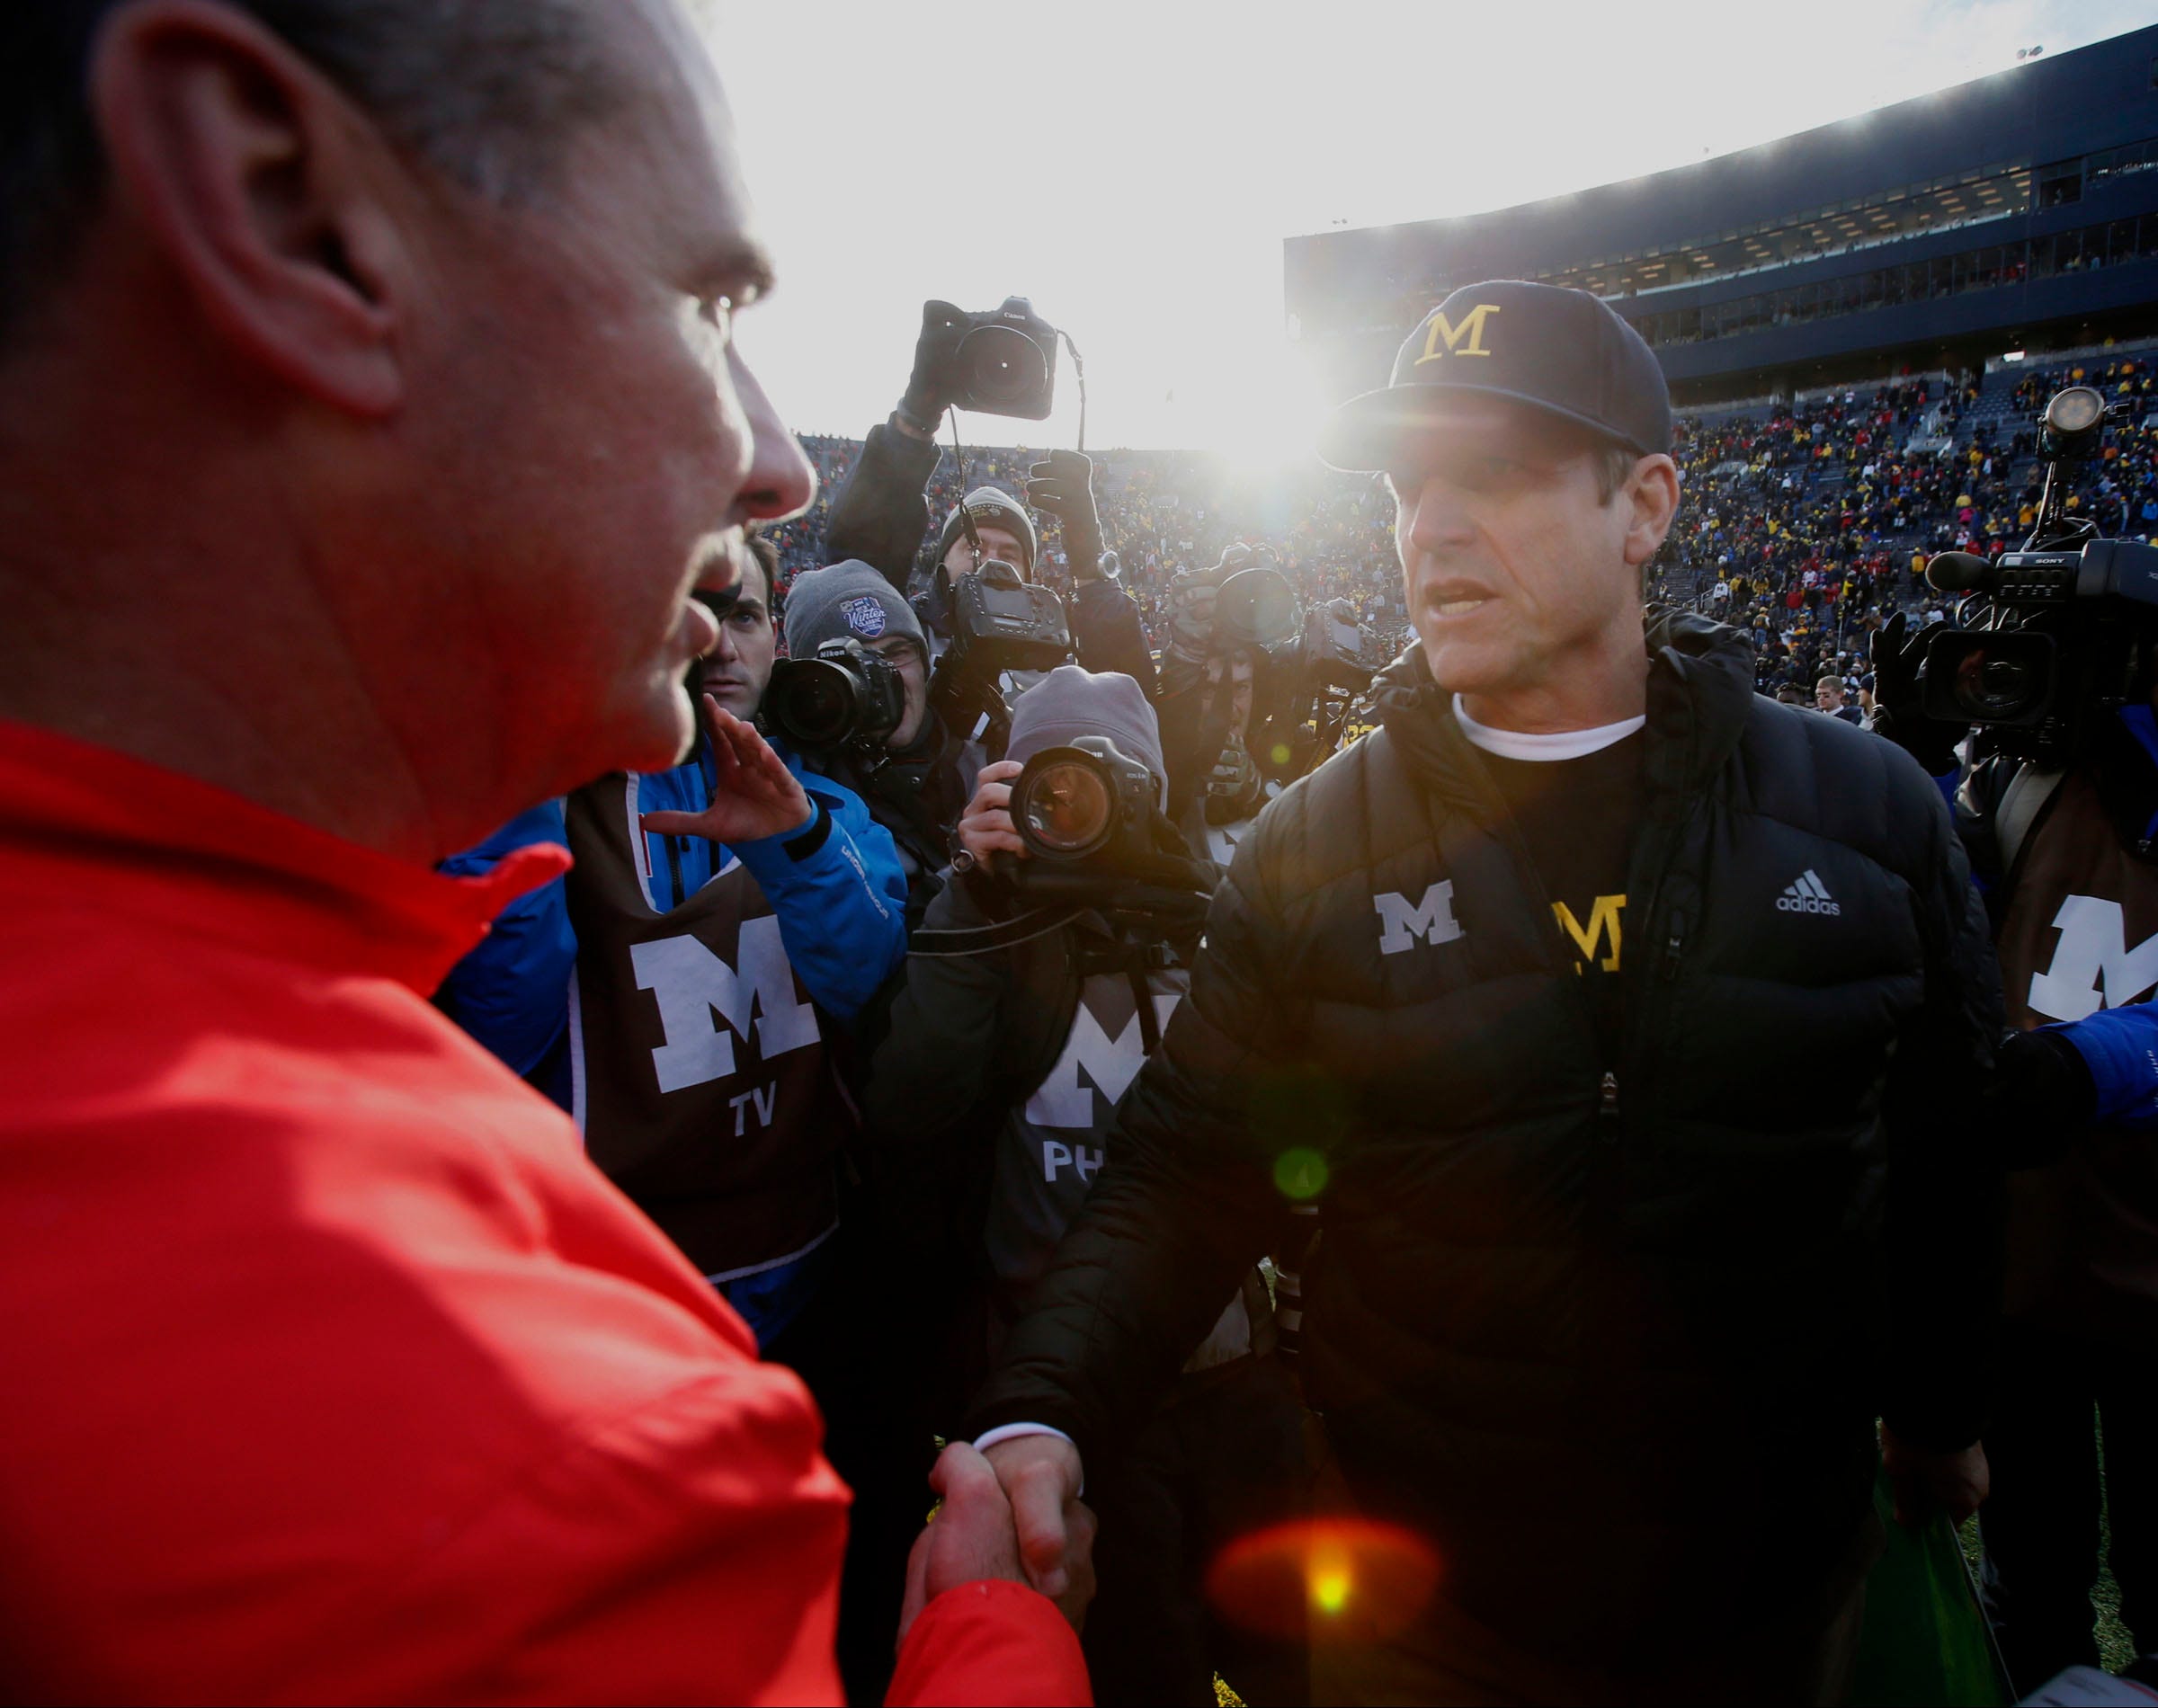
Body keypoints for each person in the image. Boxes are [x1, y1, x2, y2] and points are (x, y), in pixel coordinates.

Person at [0, 1, 1087, 1701]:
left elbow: (868, 966)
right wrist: (997, 1636)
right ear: (296, 216)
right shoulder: (494, 1425)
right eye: (707, 304)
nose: (773, 460)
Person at [968, 280, 2006, 1704]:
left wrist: (1942, 1414)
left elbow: (1948, 1153)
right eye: (1410, 485)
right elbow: (1190, 1175)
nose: (1431, 528)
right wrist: (1046, 1413)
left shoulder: (1868, 813)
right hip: (1426, 1617)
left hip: (1771, 1598)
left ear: (1643, 508)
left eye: (1499, 475)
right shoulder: (1309, 849)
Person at [866, 666, 1311, 1705]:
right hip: (1074, 1401)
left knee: (1292, 1657)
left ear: (1155, 787)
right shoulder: (995, 935)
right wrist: (971, 892)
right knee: (1137, 1663)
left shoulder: (1208, 925)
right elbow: (910, 1105)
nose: (1079, 807)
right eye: (1049, 781)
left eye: (1111, 780)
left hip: (1229, 1377)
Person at [825, 302, 1156, 692]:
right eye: (975, 547)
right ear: (941, 564)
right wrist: (912, 426)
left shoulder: (1060, 654)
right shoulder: (904, 635)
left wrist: (1093, 571)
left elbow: (1129, 703)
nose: (992, 565)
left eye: (1011, 554)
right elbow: (855, 572)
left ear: (1031, 578)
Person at [780, 557, 968, 922]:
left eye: (896, 654)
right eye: (856, 664)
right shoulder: (804, 805)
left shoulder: (981, 754)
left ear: (925, 662)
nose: (883, 680)